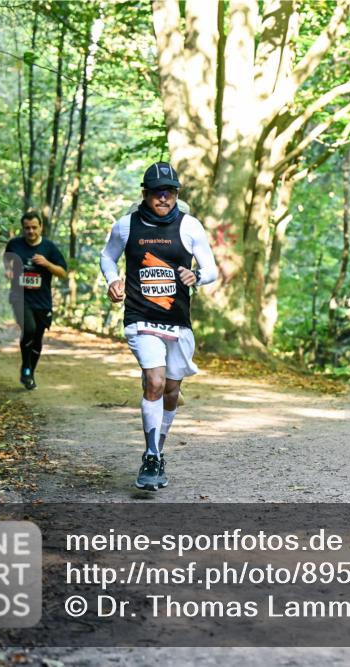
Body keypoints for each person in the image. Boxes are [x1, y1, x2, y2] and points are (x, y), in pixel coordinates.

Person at [99, 162, 218, 490]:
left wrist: (197, 277)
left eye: (170, 192)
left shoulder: (190, 226)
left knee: (170, 389)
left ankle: (159, 449)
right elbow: (107, 256)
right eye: (157, 192)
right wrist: (113, 280)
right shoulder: (126, 226)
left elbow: (212, 270)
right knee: (154, 381)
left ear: (177, 195)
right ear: (145, 194)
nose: (164, 197)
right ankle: (150, 456)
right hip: (140, 317)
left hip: (178, 322)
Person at [3, 211, 68, 390]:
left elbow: (63, 273)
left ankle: (29, 372)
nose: (30, 231)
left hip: (42, 300)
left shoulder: (49, 248)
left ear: (41, 228)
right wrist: (8, 270)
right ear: (22, 228)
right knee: (29, 328)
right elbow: (7, 261)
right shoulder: (14, 244)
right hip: (20, 296)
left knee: (37, 337)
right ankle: (25, 367)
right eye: (27, 228)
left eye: (34, 227)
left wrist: (47, 264)